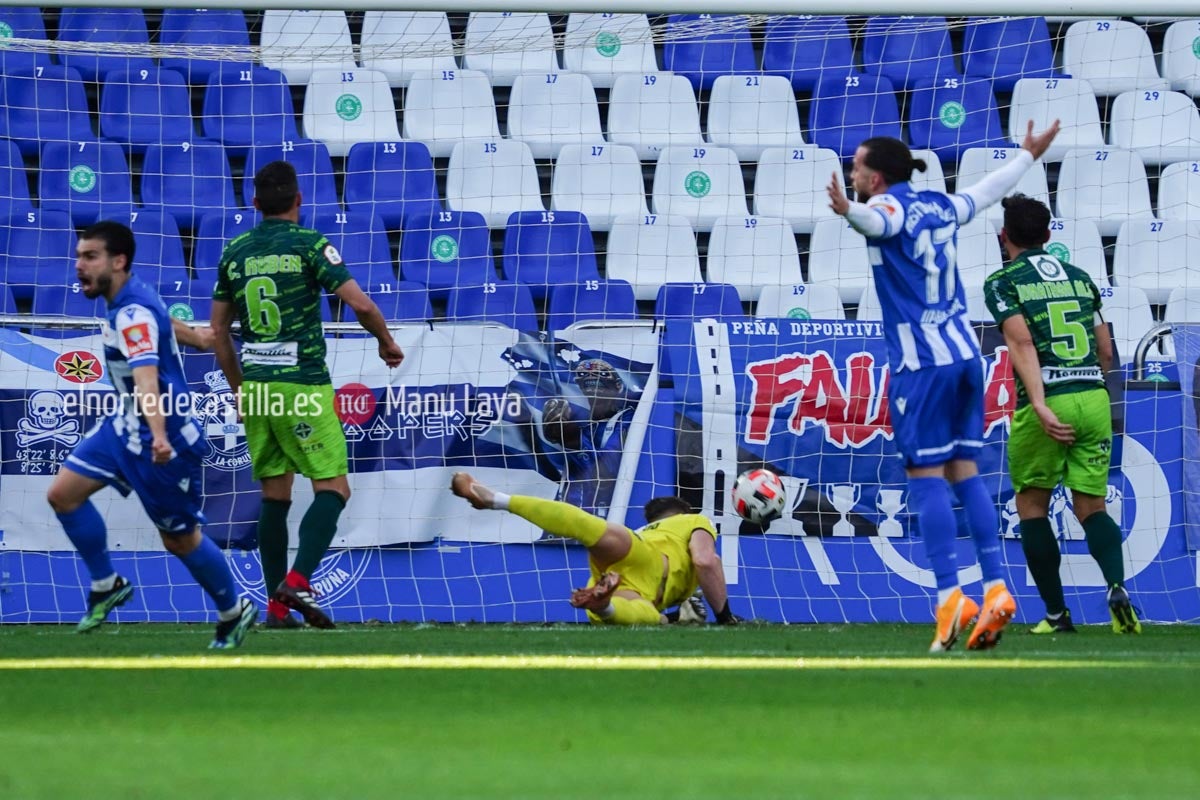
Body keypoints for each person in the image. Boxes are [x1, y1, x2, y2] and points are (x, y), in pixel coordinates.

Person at [826, 120, 1060, 652]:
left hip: (921, 365)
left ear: (877, 176)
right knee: (966, 472)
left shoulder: (885, 208)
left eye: (858, 166)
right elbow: (986, 191)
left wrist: (848, 212)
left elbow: (876, 223)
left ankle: (949, 596)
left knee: (925, 475)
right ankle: (997, 587)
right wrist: (1026, 156)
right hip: (965, 356)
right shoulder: (939, 205)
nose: (853, 172)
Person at [210, 161, 405, 629]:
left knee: (275, 494)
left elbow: (217, 330)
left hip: (257, 387)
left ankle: (276, 612)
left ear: (254, 204)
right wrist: (386, 342)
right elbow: (359, 302)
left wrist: (239, 389)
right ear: (299, 200)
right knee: (333, 487)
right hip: (302, 385)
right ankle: (296, 581)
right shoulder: (311, 245)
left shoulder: (234, 251)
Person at [46, 221, 257, 649]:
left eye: (89, 257)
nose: (78, 266)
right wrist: (195, 336)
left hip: (163, 437)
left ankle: (234, 611)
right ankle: (107, 583)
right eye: (78, 256)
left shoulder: (130, 313)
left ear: (117, 261)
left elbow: (147, 378)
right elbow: (158, 315)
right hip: (124, 426)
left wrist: (158, 436)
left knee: (179, 539)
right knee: (63, 495)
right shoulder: (131, 294)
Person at [984, 194, 1141, 634]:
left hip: (1047, 399)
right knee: (1091, 503)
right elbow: (1107, 349)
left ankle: (1057, 615)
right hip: (1093, 396)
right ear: (1049, 235)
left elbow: (1021, 344)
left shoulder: (1003, 281)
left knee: (1032, 505)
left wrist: (1038, 401)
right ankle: (1115, 586)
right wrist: (1091, 387)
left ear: (1004, 237)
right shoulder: (1080, 277)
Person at [450, 472, 739, 625]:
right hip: (649, 578)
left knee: (589, 527)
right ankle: (606, 607)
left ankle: (498, 499)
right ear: (683, 512)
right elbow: (705, 561)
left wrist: (679, 616)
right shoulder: (695, 521)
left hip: (630, 554)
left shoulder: (644, 531)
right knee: (648, 616)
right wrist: (726, 618)